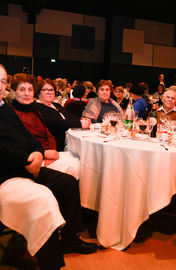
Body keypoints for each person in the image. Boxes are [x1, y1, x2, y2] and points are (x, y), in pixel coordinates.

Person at [0, 64, 97, 270]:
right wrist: (29, 159)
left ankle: (71, 238)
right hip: (7, 174)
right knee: (44, 199)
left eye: (1, 81)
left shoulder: (4, 108)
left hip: (24, 165)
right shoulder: (10, 108)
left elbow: (28, 137)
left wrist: (36, 151)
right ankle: (51, 264)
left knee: (69, 182)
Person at [10, 72, 80, 179]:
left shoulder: (33, 110)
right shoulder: (12, 113)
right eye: (22, 89)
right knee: (77, 166)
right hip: (31, 160)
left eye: (30, 89)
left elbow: (48, 135)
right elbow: (17, 145)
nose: (27, 94)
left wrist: (51, 151)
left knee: (81, 163)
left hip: (48, 154)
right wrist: (44, 153)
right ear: (13, 92)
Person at [33, 78, 90, 151]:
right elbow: (58, 123)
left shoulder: (56, 105)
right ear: (38, 93)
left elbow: (70, 116)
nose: (50, 92)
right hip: (52, 147)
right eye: (45, 90)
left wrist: (82, 120)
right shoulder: (37, 107)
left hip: (67, 140)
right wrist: (80, 123)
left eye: (52, 90)